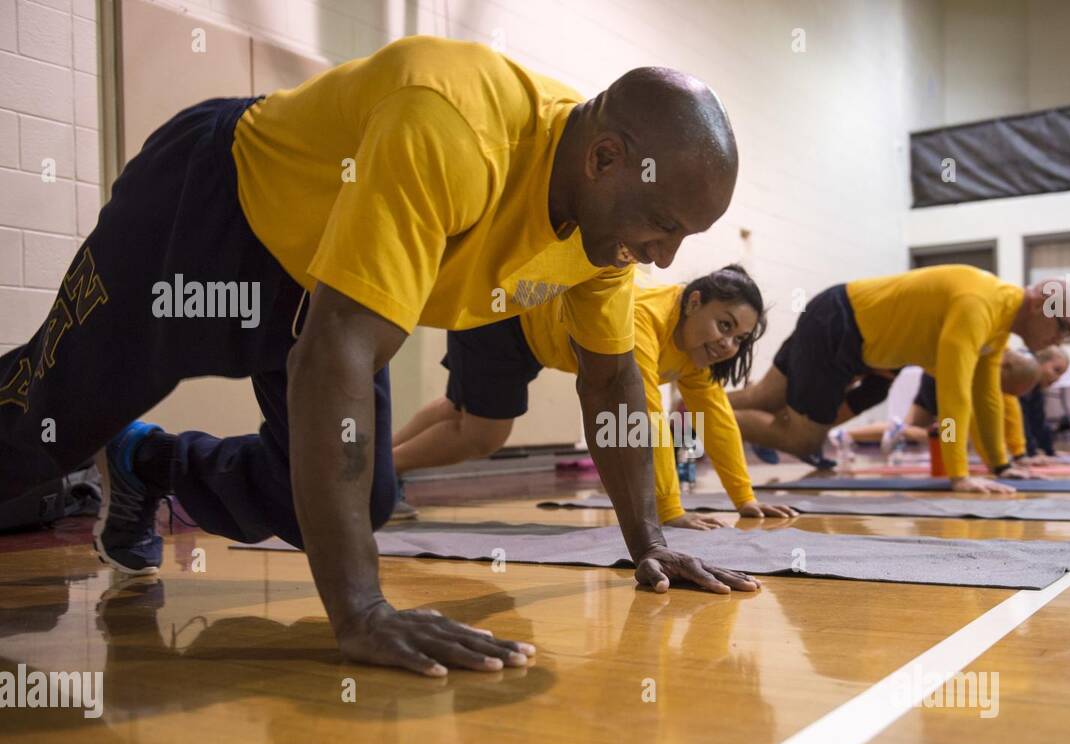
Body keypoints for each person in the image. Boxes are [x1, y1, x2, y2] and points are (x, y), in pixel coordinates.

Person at [0, 36, 759, 678]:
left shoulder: (608, 228)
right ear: (604, 159)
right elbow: (333, 356)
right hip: (213, 208)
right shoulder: (456, 127)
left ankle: (144, 465)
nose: (665, 259)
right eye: (665, 227)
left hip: (324, 287)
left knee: (352, 502)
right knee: (36, 430)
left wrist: (650, 544)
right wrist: (361, 610)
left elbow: (611, 377)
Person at [392, 266, 797, 529]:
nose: (727, 343)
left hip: (530, 332)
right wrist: (670, 510)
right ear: (694, 301)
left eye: (739, 338)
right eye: (723, 325)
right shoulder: (643, 317)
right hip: (505, 313)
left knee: (458, 411)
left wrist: (744, 498)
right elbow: (644, 421)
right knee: (482, 436)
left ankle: (373, 464)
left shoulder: (696, 349)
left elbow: (716, 417)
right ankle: (378, 474)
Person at [727, 265, 1070, 494]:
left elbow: (986, 397)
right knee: (802, 438)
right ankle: (695, 419)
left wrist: (1003, 465)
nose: (1060, 340)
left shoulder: (998, 325)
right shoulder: (981, 303)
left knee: (763, 397)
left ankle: (691, 411)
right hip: (840, 323)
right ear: (1040, 302)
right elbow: (954, 391)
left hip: (838, 314)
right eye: (1063, 327)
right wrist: (958, 475)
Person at [848, 349, 1041, 465]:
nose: (1004, 394)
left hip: (934, 375)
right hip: (942, 381)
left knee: (912, 427)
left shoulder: (996, 358)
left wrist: (1017, 454)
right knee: (947, 436)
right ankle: (900, 431)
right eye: (1006, 389)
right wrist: (1001, 464)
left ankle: (846, 435)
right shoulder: (985, 368)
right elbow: (975, 421)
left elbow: (1010, 415)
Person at [1020, 345, 1070, 462]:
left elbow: (1038, 421)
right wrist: (1030, 453)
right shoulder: (1022, 381)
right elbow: (1021, 422)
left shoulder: (1036, 388)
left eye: (1061, 374)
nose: (1057, 378)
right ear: (1039, 362)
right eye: (1056, 370)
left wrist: (1049, 451)